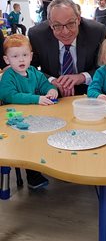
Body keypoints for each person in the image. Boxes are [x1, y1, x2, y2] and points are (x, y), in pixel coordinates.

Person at [0, 34, 58, 190]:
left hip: (33, 118)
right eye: (15, 56)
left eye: (25, 55)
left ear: (31, 56)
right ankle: (33, 176)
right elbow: (9, 95)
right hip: (13, 123)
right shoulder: (8, 76)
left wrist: (52, 90)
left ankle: (48, 164)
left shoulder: (33, 72)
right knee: (29, 144)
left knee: (46, 134)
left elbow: (45, 85)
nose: (21, 60)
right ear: (7, 60)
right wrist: (36, 98)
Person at [28, 0, 106, 97]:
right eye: (57, 25)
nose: (65, 32)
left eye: (70, 24)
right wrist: (51, 80)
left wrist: (82, 77)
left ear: (78, 19)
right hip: (50, 94)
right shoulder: (37, 35)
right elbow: (30, 68)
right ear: (50, 24)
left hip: (89, 92)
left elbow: (105, 68)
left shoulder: (96, 32)